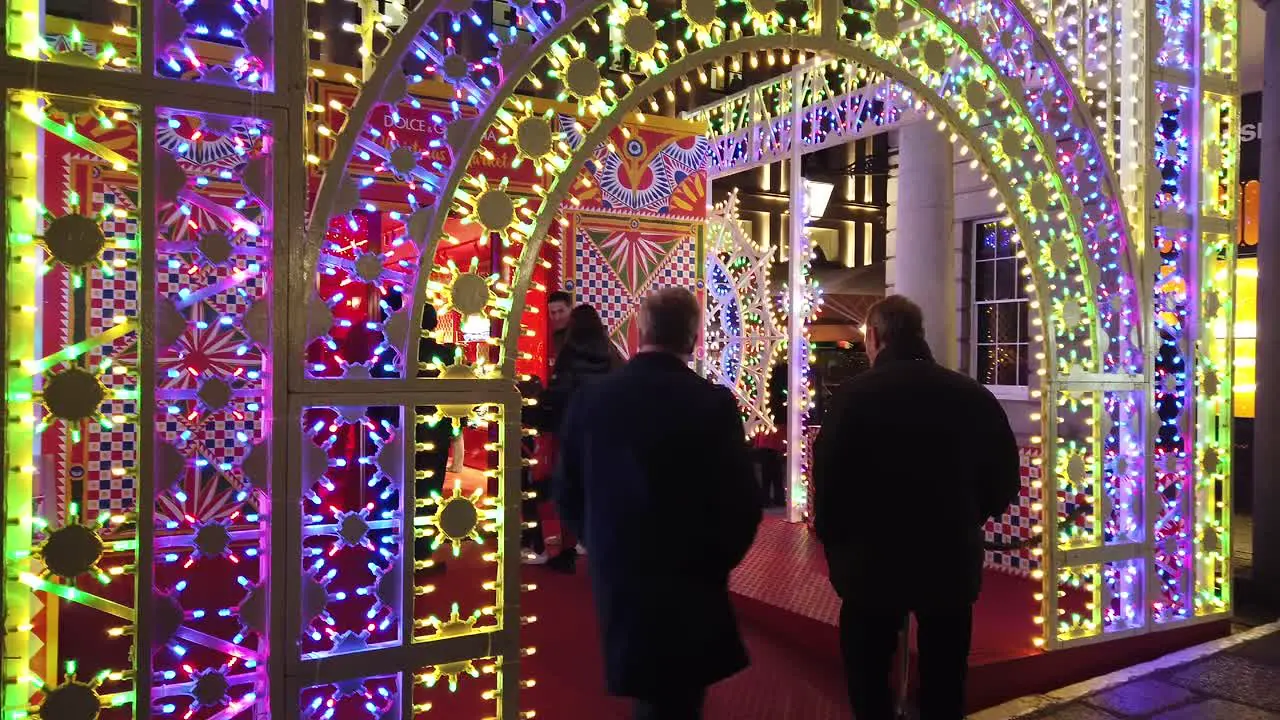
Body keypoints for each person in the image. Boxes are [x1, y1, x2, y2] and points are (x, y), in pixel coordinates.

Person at [554, 287, 763, 720]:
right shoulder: (712, 403)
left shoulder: (592, 401)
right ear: (692, 338)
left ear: (639, 331)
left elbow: (568, 492)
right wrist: (715, 560)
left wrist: (602, 542)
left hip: (621, 575)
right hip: (692, 579)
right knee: (680, 699)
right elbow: (743, 502)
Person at [812, 295, 1020, 720]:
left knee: (869, 678)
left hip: (872, 564)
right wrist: (965, 516)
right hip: (948, 559)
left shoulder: (854, 398)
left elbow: (830, 483)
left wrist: (840, 547)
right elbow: (1003, 481)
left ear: (875, 337)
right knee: (946, 680)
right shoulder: (970, 395)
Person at [530, 303, 624, 572]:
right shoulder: (610, 352)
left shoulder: (569, 353)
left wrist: (540, 407)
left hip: (572, 430)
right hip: (604, 433)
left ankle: (563, 548)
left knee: (563, 490)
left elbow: (559, 393)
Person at [547, 290, 573, 362]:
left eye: (561, 311)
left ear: (570, 308)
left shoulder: (586, 333)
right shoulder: (556, 336)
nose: (557, 317)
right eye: (553, 313)